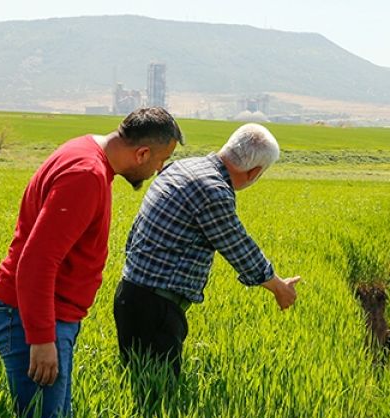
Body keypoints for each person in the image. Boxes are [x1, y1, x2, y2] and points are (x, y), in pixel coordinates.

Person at [0, 107, 183, 418]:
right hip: (30, 316)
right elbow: (37, 261)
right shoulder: (86, 175)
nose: (159, 169)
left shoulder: (84, 150)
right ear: (142, 153)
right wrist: (41, 338)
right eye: (160, 160)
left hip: (40, 314)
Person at [114, 123, 300, 377]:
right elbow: (238, 247)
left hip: (132, 293)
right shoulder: (212, 190)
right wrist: (280, 287)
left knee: (140, 387)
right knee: (159, 397)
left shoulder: (182, 167)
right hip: (155, 308)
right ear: (255, 172)